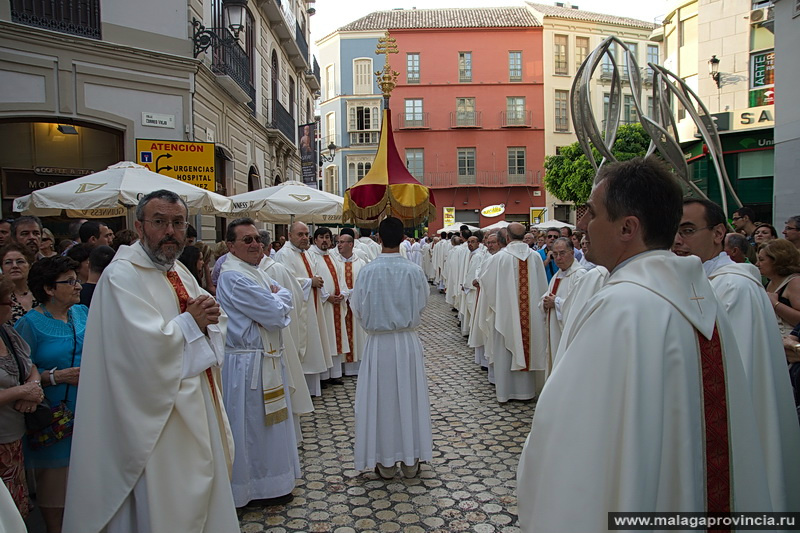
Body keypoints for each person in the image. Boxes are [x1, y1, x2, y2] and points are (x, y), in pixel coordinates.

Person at [517, 157, 775, 532]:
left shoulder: (621, 306)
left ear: (627, 227)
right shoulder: (702, 297)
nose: (583, 225)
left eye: (591, 212)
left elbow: (566, 440)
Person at [62, 190, 238, 533]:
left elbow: (208, 318)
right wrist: (193, 322)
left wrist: (212, 318)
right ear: (140, 227)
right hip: (153, 417)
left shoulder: (180, 272)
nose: (169, 231)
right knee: (166, 502)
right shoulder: (121, 277)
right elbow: (140, 352)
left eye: (177, 222)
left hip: (195, 401)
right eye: (159, 222)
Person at [674, 197, 800, 515]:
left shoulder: (734, 287)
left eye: (688, 230)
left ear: (718, 233)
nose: (678, 240)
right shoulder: (697, 281)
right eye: (674, 230)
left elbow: (737, 375)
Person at [216, 218, 300, 507]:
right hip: (248, 364)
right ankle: (250, 488)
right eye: (247, 240)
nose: (255, 244)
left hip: (266, 358)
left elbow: (284, 296)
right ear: (231, 246)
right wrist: (277, 302)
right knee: (251, 428)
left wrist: (277, 301)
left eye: (257, 239)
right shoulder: (233, 276)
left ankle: (274, 482)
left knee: (270, 429)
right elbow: (276, 314)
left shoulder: (254, 271)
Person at [351, 217, 431, 479]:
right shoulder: (414, 271)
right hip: (407, 341)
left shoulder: (367, 271)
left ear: (379, 239)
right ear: (403, 237)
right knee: (409, 398)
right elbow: (422, 305)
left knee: (381, 400)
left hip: (378, 344)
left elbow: (358, 310)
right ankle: (411, 460)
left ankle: (385, 462)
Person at [15, 256, 86, 533]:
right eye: (69, 281)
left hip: (88, 411)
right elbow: (22, 371)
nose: (77, 285)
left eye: (76, 279)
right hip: (54, 416)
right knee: (55, 485)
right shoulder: (30, 324)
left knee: (85, 479)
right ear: (48, 289)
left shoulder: (83, 313)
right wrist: (57, 376)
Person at [476, 222, 547, 402]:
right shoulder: (536, 257)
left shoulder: (499, 258)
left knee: (506, 348)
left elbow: (485, 283)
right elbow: (542, 286)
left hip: (505, 317)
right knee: (529, 345)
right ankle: (527, 392)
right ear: (525, 236)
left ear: (507, 237)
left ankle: (505, 393)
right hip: (530, 318)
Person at [0, 275, 43, 520]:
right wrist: (21, 392)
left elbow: (30, 366)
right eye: (7, 302)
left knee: (16, 513)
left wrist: (33, 387)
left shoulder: (8, 332)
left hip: (14, 441)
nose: (12, 305)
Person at [273, 222, 331, 397]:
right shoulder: (284, 255)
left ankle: (313, 388)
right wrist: (309, 282)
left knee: (314, 343)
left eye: (306, 234)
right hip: (298, 310)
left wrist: (316, 281)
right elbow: (285, 283)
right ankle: (301, 390)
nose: (305, 237)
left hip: (311, 305)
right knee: (301, 346)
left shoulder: (305, 253)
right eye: (300, 234)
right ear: (290, 235)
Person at [308, 227, 349, 385]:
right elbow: (314, 278)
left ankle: (335, 374)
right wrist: (327, 297)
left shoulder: (333, 256)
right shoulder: (311, 256)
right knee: (325, 340)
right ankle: (324, 376)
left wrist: (343, 294)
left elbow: (341, 277)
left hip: (336, 304)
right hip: (323, 305)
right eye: (321, 237)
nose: (324, 240)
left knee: (336, 339)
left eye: (327, 237)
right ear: (315, 240)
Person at [539, 237, 586, 373]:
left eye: (562, 253)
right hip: (554, 329)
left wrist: (557, 302)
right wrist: (544, 302)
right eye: (555, 254)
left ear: (572, 253)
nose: (558, 258)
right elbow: (547, 295)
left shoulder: (580, 275)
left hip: (567, 331)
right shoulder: (557, 275)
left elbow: (580, 305)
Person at [336, 229, 366, 376]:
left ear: (350, 244)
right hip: (340, 306)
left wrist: (353, 292)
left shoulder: (361, 263)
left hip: (356, 306)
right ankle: (341, 367)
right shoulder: (334, 262)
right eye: (338, 242)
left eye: (342, 242)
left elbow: (366, 284)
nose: (339, 245)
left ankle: (356, 366)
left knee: (357, 333)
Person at [758, 238, 800, 336]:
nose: (757, 264)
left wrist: (775, 304)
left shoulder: (795, 282)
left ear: (777, 260)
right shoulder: (769, 283)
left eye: (761, 260)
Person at [1, 244, 37, 325]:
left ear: (30, 266)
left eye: (20, 261)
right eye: (8, 262)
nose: (14, 266)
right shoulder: (2, 297)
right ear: (2, 268)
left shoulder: (42, 293)